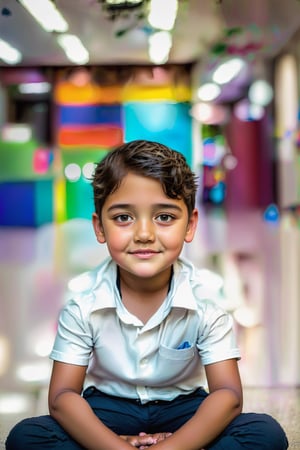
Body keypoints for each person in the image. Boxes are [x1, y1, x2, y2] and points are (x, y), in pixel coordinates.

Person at [6, 140, 288, 450]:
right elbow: (62, 397)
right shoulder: (83, 304)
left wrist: (174, 446)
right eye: (123, 218)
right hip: (108, 410)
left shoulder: (205, 301)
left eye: (164, 217)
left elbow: (228, 394)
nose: (143, 234)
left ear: (190, 225)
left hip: (182, 408)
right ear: (100, 228)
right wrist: (116, 445)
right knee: (27, 437)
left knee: (264, 432)